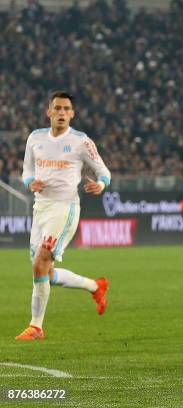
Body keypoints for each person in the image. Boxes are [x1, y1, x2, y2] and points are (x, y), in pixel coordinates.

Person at [16, 91, 111, 340]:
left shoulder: (81, 141)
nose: (61, 112)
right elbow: (25, 171)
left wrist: (100, 185)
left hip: (65, 208)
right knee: (44, 273)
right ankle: (95, 286)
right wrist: (30, 182)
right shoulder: (35, 138)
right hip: (41, 208)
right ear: (49, 112)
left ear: (72, 113)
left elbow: (104, 172)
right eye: (57, 108)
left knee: (40, 263)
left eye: (66, 109)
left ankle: (36, 327)